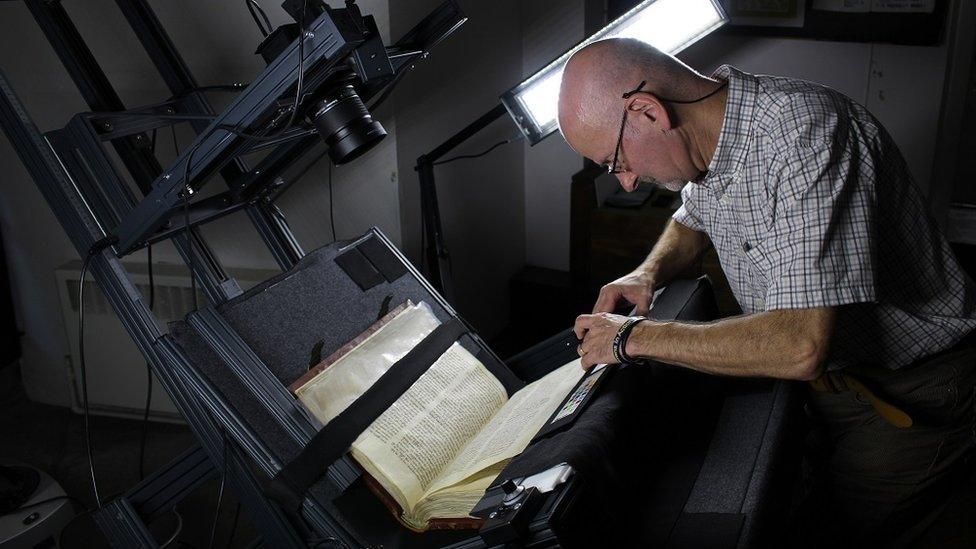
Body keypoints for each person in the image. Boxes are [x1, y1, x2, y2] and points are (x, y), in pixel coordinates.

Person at [558, 37, 976, 546]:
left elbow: (799, 345)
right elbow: (692, 220)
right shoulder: (713, 134)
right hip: (829, 390)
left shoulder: (806, 134)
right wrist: (646, 274)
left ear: (646, 112)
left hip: (913, 391)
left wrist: (630, 338)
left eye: (614, 161)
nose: (625, 182)